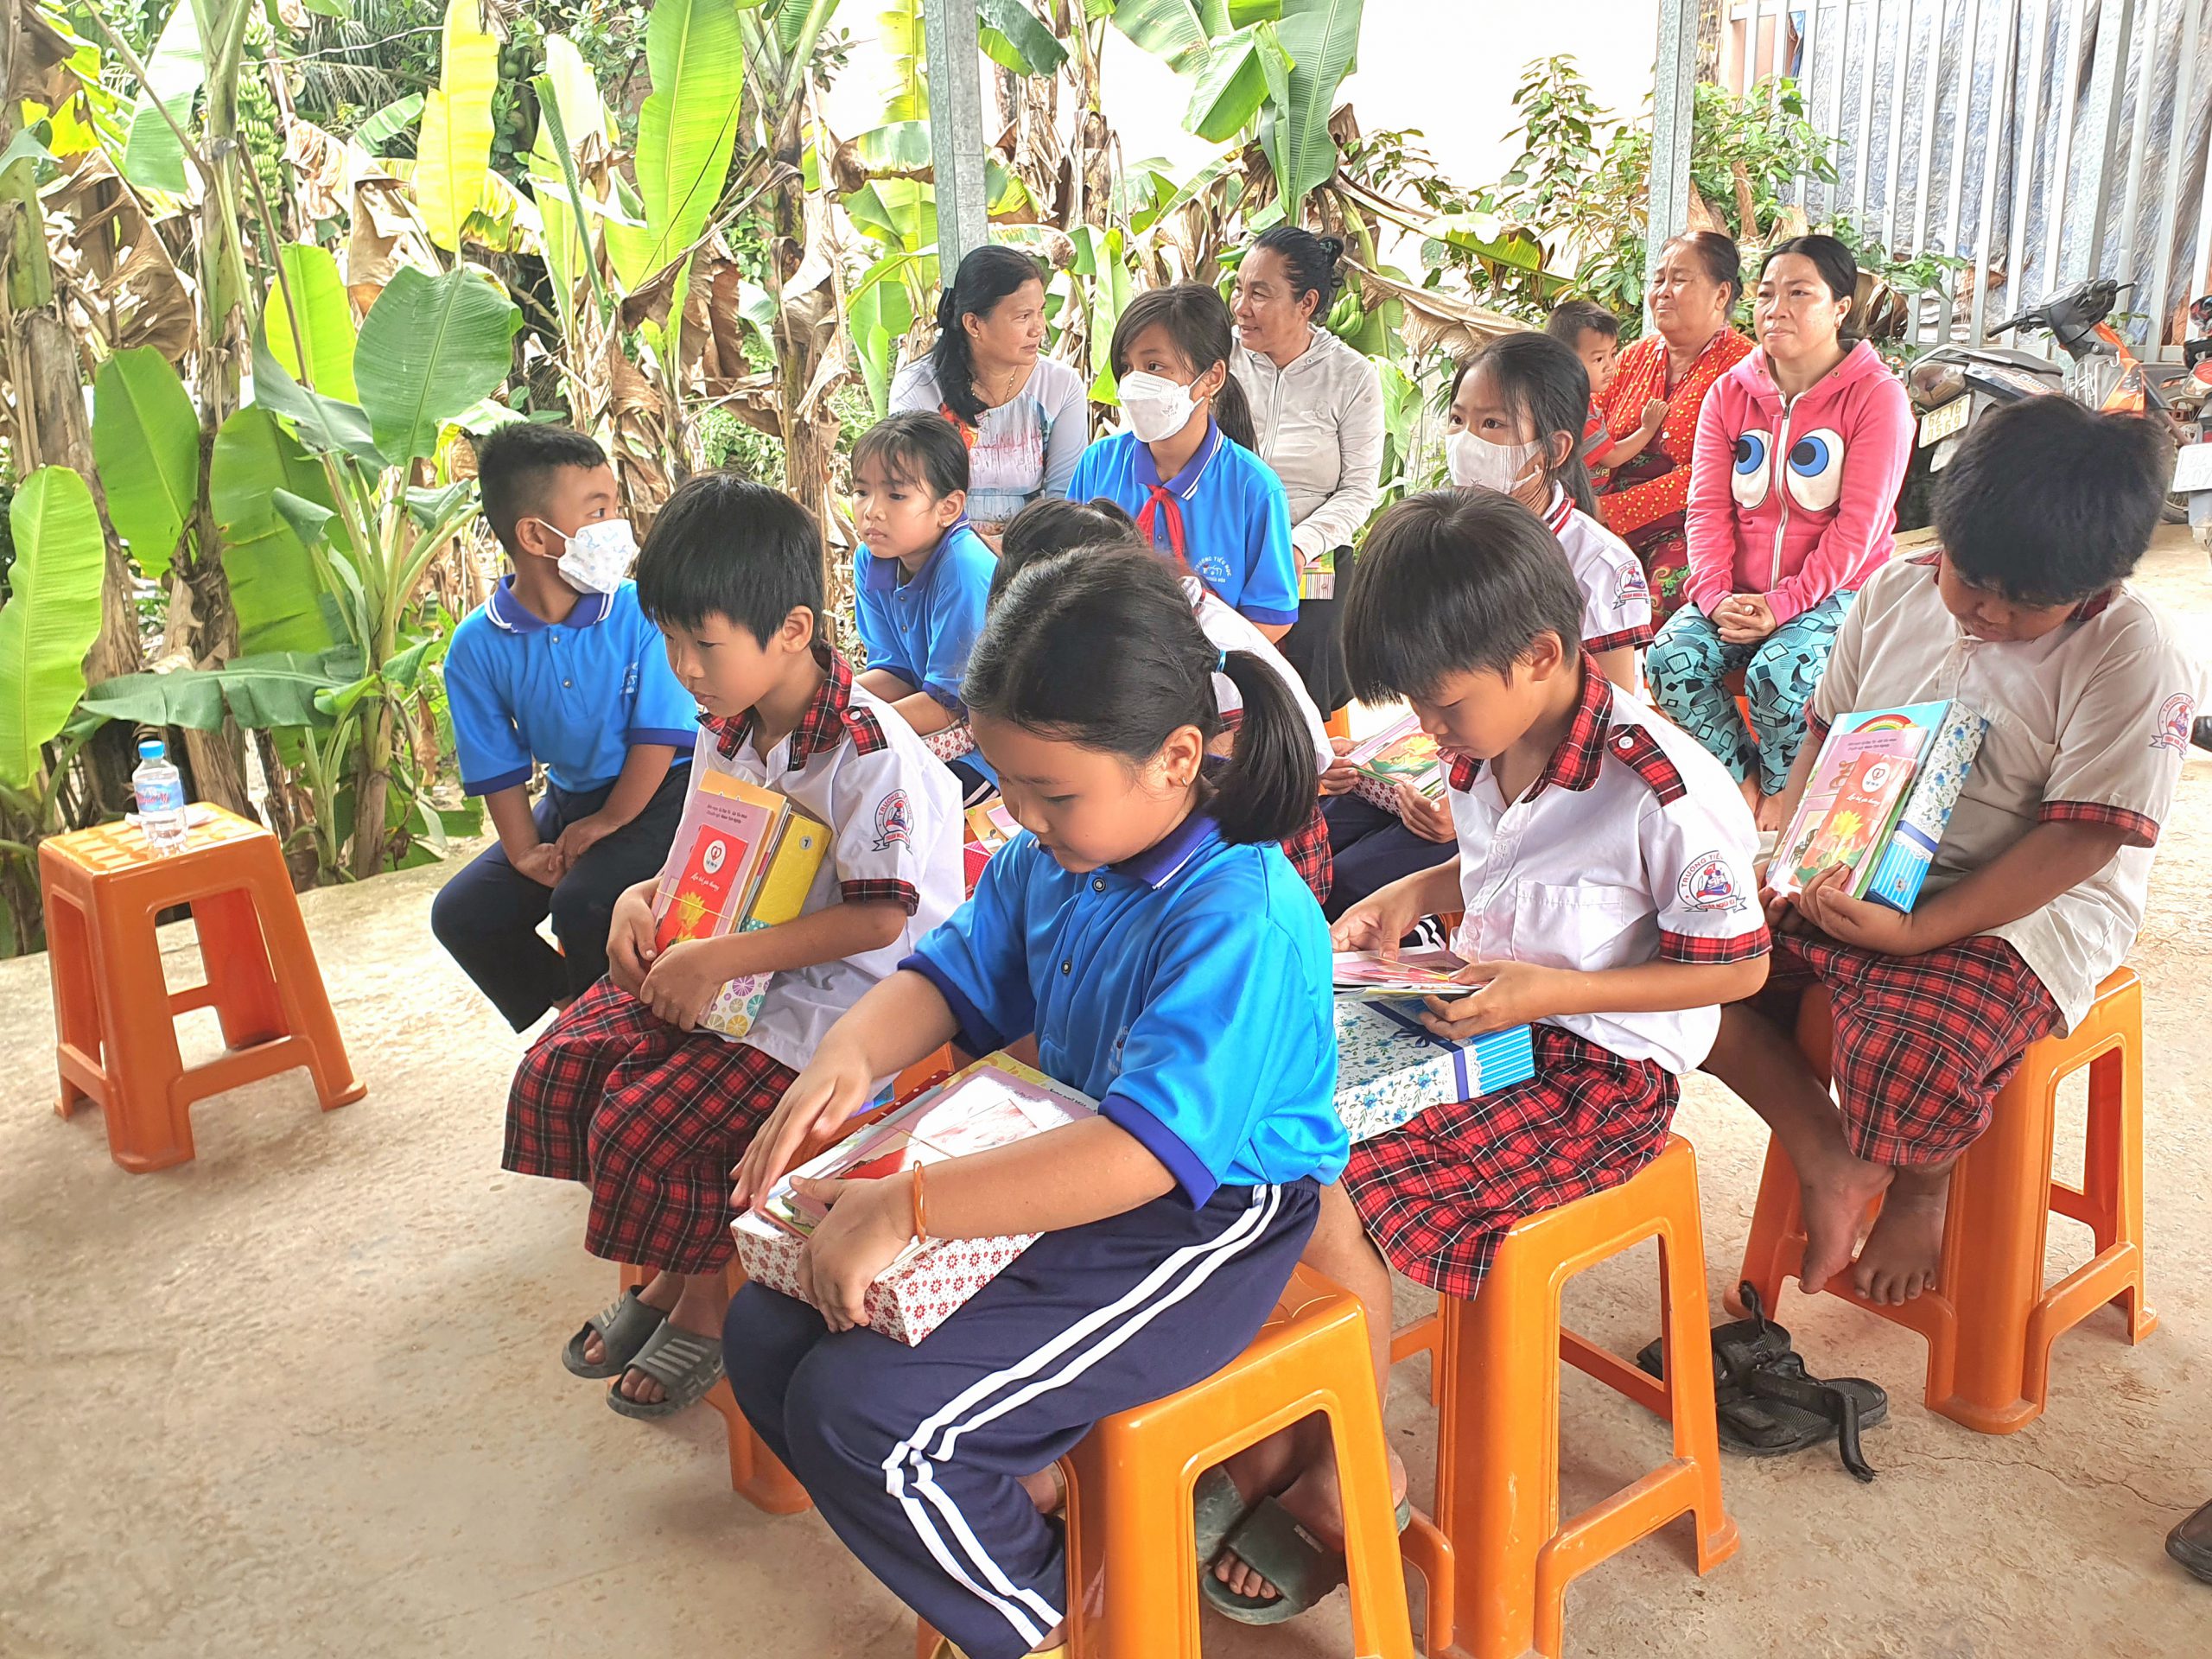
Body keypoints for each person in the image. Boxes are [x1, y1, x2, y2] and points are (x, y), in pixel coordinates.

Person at [722, 545, 1346, 1659]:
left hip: (1198, 1220)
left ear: (1176, 758)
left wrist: (905, 1205)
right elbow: (944, 981)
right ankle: (1033, 1507)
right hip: (1062, 1160)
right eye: (1007, 788)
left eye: (1052, 795)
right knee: (769, 1330)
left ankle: (1066, 1619)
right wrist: (848, 1060)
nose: (1023, 821)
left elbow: (1140, 1159)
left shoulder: (1239, 915)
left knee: (874, 1425)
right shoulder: (1050, 861)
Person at [1205, 490, 1769, 1616]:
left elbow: (1738, 968)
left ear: (1542, 656)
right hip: (1480, 1021)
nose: (1430, 724)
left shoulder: (1661, 790)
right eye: (1416, 702)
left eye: (1443, 700)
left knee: (1325, 1174)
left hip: (1596, 1079)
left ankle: (1352, 1460)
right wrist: (1415, 891)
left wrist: (1553, 992)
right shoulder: (1481, 748)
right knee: (1254, 1117)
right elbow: (1504, 864)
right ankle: (1301, 1422)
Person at [1703, 398, 2201, 1308]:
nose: (1988, 613)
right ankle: (1828, 1150)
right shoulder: (1895, 594)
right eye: (1971, 581)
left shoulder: (2132, 652)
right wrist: (1787, 861)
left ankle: (1921, 1185)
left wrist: (1916, 932)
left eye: (2028, 604)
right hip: (1859, 867)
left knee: (1918, 1041)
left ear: (2099, 584)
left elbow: (2082, 839)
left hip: (2023, 902)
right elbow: (1824, 738)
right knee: (1686, 961)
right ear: (1945, 537)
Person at [502, 475, 964, 1419]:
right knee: (565, 1065)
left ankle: (704, 1301)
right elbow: (695, 853)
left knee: (647, 1123)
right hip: (734, 959)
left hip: (843, 1002)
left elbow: (881, 921)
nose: (684, 668)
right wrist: (638, 902)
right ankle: (674, 1271)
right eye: (669, 641)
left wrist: (716, 962)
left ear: (792, 630)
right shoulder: (727, 724)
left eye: (702, 644)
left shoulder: (869, 753)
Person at [1320, 334, 1653, 920]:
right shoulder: (1443, 536)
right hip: (1443, 764)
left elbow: (1605, 723)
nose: (1467, 441)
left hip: (1530, 794)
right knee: (1308, 841)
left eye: (1493, 424)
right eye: (1458, 420)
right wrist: (1375, 757)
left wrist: (1469, 806)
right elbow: (1436, 684)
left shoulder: (1598, 565)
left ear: (1553, 448)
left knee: (1345, 884)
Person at [432, 424, 696, 1032]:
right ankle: (581, 1015)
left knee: (585, 903)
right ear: (535, 536)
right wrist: (526, 852)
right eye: (597, 511)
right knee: (464, 913)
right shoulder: (476, 646)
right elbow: (498, 766)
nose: (615, 526)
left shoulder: (639, 611)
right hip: (571, 800)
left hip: (666, 791)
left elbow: (658, 738)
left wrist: (610, 821)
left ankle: (610, 1037)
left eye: (613, 507)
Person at [1649, 235, 1915, 831]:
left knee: (1779, 675)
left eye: (1800, 294)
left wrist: (1784, 604)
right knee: (1669, 660)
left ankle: (1785, 794)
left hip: (1839, 592)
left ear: (1840, 307)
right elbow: (1707, 508)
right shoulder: (1730, 392)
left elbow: (1859, 528)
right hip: (1738, 594)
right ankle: (1742, 786)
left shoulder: (1877, 397)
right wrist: (1714, 595)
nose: (1777, 310)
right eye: (1767, 294)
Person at [988, 496, 1337, 902]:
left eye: (1055, 796)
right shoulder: (1144, 643)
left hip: (1279, 848)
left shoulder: (1192, 663)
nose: (1026, 819)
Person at [1066, 283, 1299, 638]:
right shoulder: (1098, 464)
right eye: (1126, 367)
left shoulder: (1254, 489)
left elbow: (1271, 616)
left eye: (1154, 366)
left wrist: (1205, 662)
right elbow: (1065, 576)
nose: (1134, 382)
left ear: (1212, 378)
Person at [1231, 226, 1385, 712]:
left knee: (1313, 640)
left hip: (1311, 554)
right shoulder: (1219, 360)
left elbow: (1358, 491)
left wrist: (1297, 546)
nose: (1241, 307)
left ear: (1307, 303)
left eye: (1260, 294)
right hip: (1226, 541)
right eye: (1238, 289)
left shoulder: (1351, 376)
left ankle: (1307, 748)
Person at [1594, 232, 1756, 620]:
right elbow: (1590, 428)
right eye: (1658, 279)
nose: (1663, 291)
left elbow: (1715, 472)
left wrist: (1613, 510)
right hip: (1604, 511)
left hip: (1694, 523)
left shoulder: (1745, 367)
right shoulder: (1632, 357)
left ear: (1721, 295)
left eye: (1680, 279)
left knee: (1662, 593)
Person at [849, 411, 1000, 803]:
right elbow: (895, 672)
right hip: (926, 719)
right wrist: (830, 703)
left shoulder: (964, 568)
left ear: (948, 508)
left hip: (988, 748)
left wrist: (851, 728)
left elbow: (951, 705)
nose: (871, 511)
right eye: (862, 491)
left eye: (896, 495)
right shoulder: (872, 558)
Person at [891, 245, 1087, 537]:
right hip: (943, 550)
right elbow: (915, 498)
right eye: (1023, 316)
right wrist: (976, 551)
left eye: (1040, 312)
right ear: (974, 324)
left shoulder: (1061, 385)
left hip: (1037, 549)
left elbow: (1065, 498)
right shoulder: (917, 389)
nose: (1038, 329)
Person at [1545, 297, 1623, 451]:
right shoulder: (1575, 412)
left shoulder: (1571, 398)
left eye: (1613, 354)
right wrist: (1647, 429)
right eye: (1599, 359)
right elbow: (1613, 457)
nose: (1609, 366)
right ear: (1564, 360)